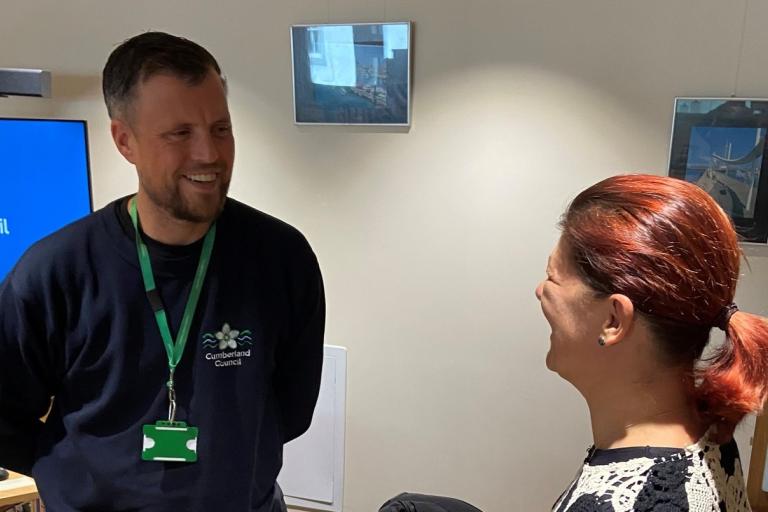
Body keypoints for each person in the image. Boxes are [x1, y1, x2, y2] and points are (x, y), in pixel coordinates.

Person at [0, 31, 325, 511]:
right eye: (180, 133)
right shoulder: (54, 274)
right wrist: (77, 479)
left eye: (220, 128)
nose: (208, 154)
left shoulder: (281, 258)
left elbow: (292, 411)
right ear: (124, 140)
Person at [536, 174, 767, 511]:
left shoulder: (623, 501)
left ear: (613, 321)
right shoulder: (711, 436)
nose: (540, 291)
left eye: (553, 278)